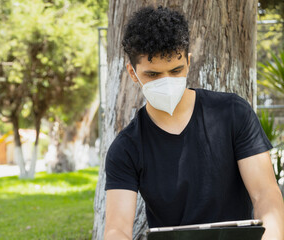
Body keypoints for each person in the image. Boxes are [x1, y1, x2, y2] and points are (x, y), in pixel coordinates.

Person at [104, 5, 284, 240]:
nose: (166, 82)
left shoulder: (233, 113)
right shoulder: (126, 147)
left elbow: (266, 196)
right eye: (153, 74)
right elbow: (116, 229)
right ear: (132, 72)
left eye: (176, 70)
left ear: (188, 62)